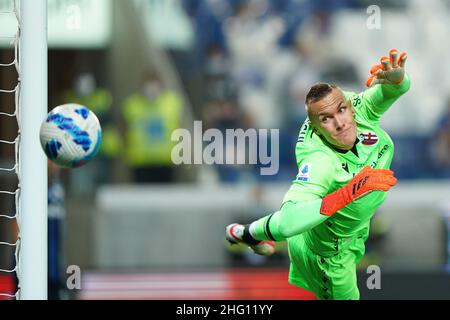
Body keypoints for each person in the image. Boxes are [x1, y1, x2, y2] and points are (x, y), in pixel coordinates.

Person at [225, 49, 410, 300]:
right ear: (316, 127)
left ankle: (244, 233)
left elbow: (392, 90)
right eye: (327, 119)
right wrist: (351, 191)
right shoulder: (320, 161)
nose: (340, 122)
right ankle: (247, 234)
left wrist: (398, 79)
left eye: (342, 110)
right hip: (328, 254)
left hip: (353, 231)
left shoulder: (356, 108)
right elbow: (290, 221)